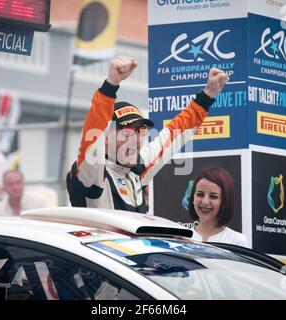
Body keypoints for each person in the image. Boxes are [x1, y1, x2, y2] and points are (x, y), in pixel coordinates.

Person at [66, 56, 229, 213]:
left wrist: (208, 94)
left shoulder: (138, 169)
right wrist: (111, 84)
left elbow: (175, 132)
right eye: (127, 131)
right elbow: (94, 129)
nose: (135, 139)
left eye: (140, 131)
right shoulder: (93, 170)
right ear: (106, 137)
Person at [187, 166, 248, 247]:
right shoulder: (180, 238)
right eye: (200, 194)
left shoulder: (236, 241)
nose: (205, 202)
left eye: (213, 196)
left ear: (225, 200)